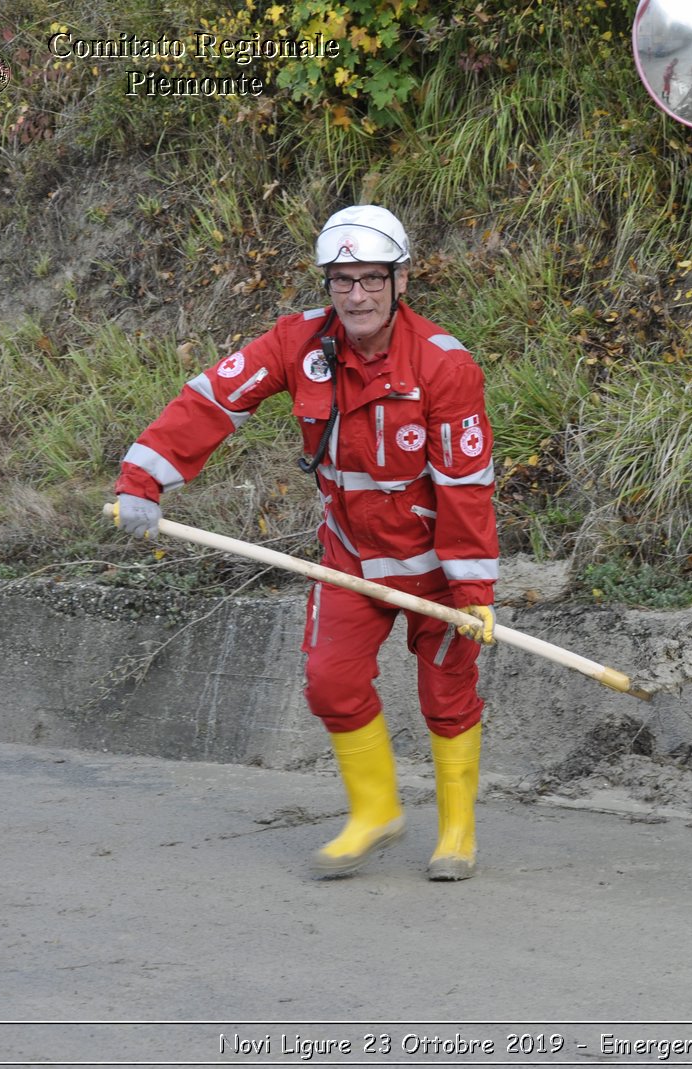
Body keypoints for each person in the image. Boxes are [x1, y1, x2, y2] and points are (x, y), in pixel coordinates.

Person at [113, 205, 499, 882]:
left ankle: (457, 832)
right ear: (328, 284)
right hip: (349, 557)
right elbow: (212, 400)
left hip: (437, 568)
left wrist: (472, 592)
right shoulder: (297, 344)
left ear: (400, 280)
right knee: (330, 680)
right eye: (342, 280)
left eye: (371, 278)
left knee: (447, 692)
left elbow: (466, 485)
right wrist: (145, 477)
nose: (356, 294)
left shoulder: (445, 365)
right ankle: (374, 812)